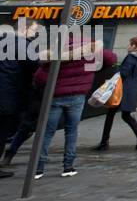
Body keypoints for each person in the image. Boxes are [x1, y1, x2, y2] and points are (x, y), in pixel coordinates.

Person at [32, 37, 117, 179]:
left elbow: (39, 78)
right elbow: (111, 58)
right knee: (71, 131)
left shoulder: (54, 56)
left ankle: (38, 169)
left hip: (55, 97)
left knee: (47, 132)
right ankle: (68, 167)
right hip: (77, 97)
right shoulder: (88, 54)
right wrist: (95, 47)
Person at [0, 20, 43, 174]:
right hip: (8, 92)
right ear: (24, 29)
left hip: (7, 90)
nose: (34, 33)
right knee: (3, 130)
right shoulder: (22, 44)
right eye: (33, 29)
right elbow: (35, 65)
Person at [95, 36, 137, 150]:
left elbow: (124, 73)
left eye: (130, 44)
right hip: (132, 90)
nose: (128, 46)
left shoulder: (131, 57)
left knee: (110, 115)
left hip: (122, 90)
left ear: (135, 46)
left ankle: (104, 143)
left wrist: (117, 69)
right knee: (125, 115)